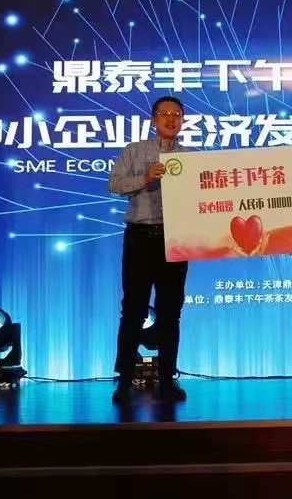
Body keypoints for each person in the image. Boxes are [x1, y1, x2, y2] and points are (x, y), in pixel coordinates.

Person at [108, 96, 192, 404]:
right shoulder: (135, 150)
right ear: (153, 119)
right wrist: (145, 178)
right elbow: (114, 184)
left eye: (177, 114)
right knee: (133, 310)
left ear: (182, 121)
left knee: (171, 311)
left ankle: (168, 379)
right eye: (164, 114)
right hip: (141, 238)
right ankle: (124, 381)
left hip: (176, 238)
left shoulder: (191, 158)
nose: (171, 119)